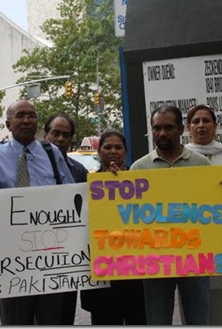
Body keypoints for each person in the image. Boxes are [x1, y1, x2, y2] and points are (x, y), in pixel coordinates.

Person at [131, 106, 222, 325]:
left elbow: (212, 211)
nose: (162, 133)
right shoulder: (138, 168)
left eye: (168, 127)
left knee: (199, 319)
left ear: (180, 129)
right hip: (155, 262)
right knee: (158, 320)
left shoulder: (201, 164)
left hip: (194, 259)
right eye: (157, 128)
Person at [0, 100, 75, 325]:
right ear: (8, 124)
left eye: (32, 116)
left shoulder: (53, 154)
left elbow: (71, 195)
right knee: (15, 319)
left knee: (51, 318)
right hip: (11, 261)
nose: (26, 120)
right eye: (20, 116)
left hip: (50, 256)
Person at [183, 104, 222, 325]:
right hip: (191, 238)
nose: (201, 126)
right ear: (188, 128)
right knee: (194, 302)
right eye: (195, 121)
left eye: (206, 121)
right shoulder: (181, 157)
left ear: (215, 126)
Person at [80, 130, 147, 325]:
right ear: (99, 151)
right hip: (103, 276)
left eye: (118, 147)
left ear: (125, 151)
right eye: (107, 147)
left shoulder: (141, 183)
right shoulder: (85, 183)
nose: (113, 151)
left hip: (135, 274)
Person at [43, 113, 88, 325]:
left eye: (66, 135)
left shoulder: (79, 171)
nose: (61, 139)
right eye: (55, 133)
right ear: (45, 135)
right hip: (34, 254)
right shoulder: (30, 167)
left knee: (65, 313)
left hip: (68, 258)